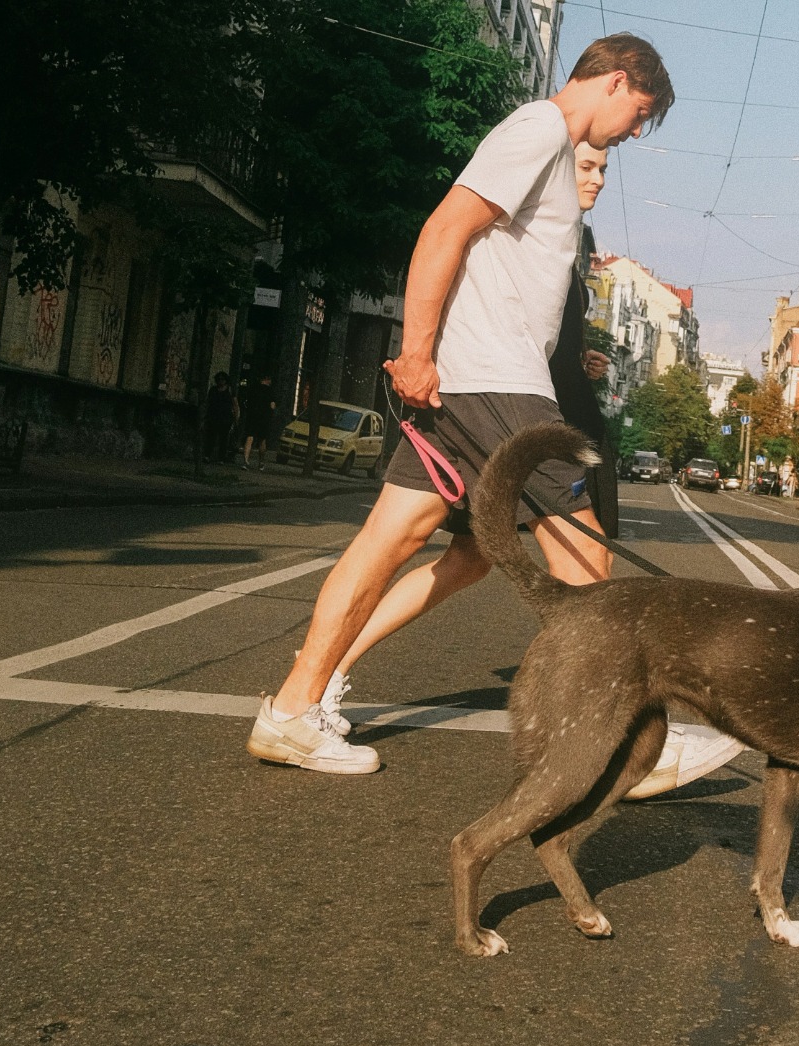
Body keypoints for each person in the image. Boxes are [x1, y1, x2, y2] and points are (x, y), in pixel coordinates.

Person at [247, 35, 700, 777]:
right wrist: (417, 350)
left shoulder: (551, 149)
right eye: (640, 112)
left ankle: (294, 709)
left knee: (389, 543)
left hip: (475, 379)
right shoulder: (541, 129)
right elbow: (444, 230)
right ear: (617, 81)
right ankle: (631, 748)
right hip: (496, 381)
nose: (635, 132)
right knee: (585, 557)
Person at [239, 374, 275, 470]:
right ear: (267, 379)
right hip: (264, 418)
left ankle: (246, 461)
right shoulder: (270, 391)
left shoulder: (253, 389)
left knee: (249, 438)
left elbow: (246, 402)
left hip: (252, 416)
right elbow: (272, 406)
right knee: (262, 440)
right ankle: (261, 462)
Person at [204, 372, 237, 464]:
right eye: (219, 379)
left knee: (224, 438)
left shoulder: (230, 390)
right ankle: (207, 455)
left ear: (226, 381)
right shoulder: (213, 390)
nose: (220, 381)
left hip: (226, 418)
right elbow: (208, 402)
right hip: (213, 416)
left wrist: (235, 418)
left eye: (222, 379)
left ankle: (221, 458)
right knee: (211, 437)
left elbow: (235, 404)